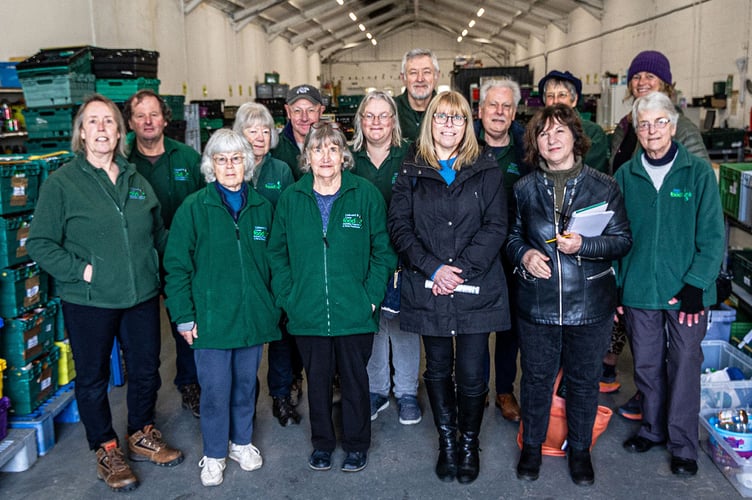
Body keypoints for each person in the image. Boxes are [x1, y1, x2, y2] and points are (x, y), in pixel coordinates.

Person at [26, 94, 183, 492]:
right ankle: (106, 448)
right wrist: (82, 271)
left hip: (142, 294)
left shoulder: (134, 179)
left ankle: (141, 432)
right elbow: (40, 243)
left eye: (108, 122)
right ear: (81, 132)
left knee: (147, 368)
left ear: (119, 132)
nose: (101, 129)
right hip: (89, 300)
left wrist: (180, 262)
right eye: (92, 122)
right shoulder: (63, 182)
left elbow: (158, 233)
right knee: (93, 378)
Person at [388, 91, 510, 484]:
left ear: (467, 124)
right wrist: (433, 268)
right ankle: (447, 442)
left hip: (477, 288)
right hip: (429, 286)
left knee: (474, 373)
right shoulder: (410, 168)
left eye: (457, 119)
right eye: (441, 118)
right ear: (430, 123)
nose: (448, 125)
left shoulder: (485, 168)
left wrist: (459, 270)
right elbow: (400, 227)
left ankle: (469, 442)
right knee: (438, 368)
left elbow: (496, 226)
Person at [507, 104, 631, 486]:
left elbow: (623, 240)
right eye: (543, 134)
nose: (552, 139)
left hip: (589, 305)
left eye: (559, 131)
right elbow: (511, 239)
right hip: (538, 304)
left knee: (583, 381)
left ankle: (580, 450)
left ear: (576, 138)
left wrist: (586, 246)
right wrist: (525, 254)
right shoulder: (523, 189)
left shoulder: (604, 185)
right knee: (536, 379)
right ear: (535, 146)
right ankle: (531, 447)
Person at [268, 122, 396, 474]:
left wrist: (370, 297)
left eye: (332, 148)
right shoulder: (293, 198)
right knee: (317, 380)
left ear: (344, 155)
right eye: (317, 149)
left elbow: (383, 252)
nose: (325, 156)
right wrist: (288, 296)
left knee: (356, 380)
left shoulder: (365, 194)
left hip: (354, 310)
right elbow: (276, 253)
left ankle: (357, 444)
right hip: (307, 311)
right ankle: (322, 443)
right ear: (306, 157)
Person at [163, 129, 280, 487]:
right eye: (221, 159)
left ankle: (241, 443)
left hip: (251, 317)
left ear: (247, 162)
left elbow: (276, 260)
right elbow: (176, 265)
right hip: (211, 320)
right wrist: (183, 315)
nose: (230, 166)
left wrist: (273, 306)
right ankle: (214, 453)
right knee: (215, 390)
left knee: (246, 385)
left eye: (236, 158)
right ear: (210, 165)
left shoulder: (262, 206)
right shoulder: (194, 208)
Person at [616, 91, 724, 477]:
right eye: (643, 124)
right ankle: (652, 428)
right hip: (640, 289)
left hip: (688, 295)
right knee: (645, 365)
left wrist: (697, 285)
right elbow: (615, 236)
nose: (652, 130)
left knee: (684, 366)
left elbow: (713, 236)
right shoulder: (625, 176)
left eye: (659, 122)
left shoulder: (697, 173)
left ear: (673, 126)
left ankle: (683, 445)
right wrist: (617, 283)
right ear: (637, 130)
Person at [607, 50, 710, 416]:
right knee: (646, 354)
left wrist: (698, 279)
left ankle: (675, 428)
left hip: (676, 260)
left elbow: (703, 209)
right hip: (637, 261)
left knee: (681, 355)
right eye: (636, 77)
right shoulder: (624, 125)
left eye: (650, 76)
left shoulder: (686, 139)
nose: (641, 81)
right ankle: (652, 413)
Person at [123, 89, 204, 418]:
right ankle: (143, 405)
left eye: (153, 114)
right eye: (140, 116)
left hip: (181, 260)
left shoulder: (187, 158)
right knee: (142, 337)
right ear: (130, 122)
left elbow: (205, 205)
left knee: (185, 325)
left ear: (165, 119)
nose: (148, 121)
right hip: (139, 261)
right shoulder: (121, 161)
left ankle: (190, 384)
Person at [350, 91, 419, 425]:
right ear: (361, 121)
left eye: (383, 115)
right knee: (372, 323)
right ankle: (376, 389)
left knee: (405, 325)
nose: (376, 122)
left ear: (394, 120)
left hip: (405, 255)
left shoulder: (411, 156)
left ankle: (407, 392)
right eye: (369, 115)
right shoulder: (349, 159)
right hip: (362, 259)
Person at [233, 102, 302, 428]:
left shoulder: (281, 171)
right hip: (242, 268)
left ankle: (281, 395)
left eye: (265, 130)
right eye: (252, 129)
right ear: (240, 133)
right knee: (243, 337)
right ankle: (241, 404)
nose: (259, 137)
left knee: (280, 336)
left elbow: (289, 220)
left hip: (274, 266)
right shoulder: (233, 168)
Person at [476, 78, 529, 423]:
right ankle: (476, 386)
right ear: (479, 111)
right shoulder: (463, 146)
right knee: (476, 325)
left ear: (513, 112)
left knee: (510, 326)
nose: (499, 112)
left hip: (513, 251)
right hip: (476, 252)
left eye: (506, 106)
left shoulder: (527, 149)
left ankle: (505, 389)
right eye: (492, 105)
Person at [538, 70, 610, 173]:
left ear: (574, 100)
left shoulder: (594, 133)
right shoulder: (538, 131)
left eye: (562, 95)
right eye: (550, 96)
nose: (555, 101)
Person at [271, 84, 325, 180]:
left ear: (321, 111)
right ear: (288, 112)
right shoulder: (275, 147)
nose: (304, 118)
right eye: (297, 111)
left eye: (311, 110)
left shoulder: (333, 146)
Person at [396, 48, 440, 141]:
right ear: (403, 78)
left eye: (427, 72)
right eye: (413, 73)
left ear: (436, 76)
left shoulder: (448, 110)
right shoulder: (391, 110)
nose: (420, 79)